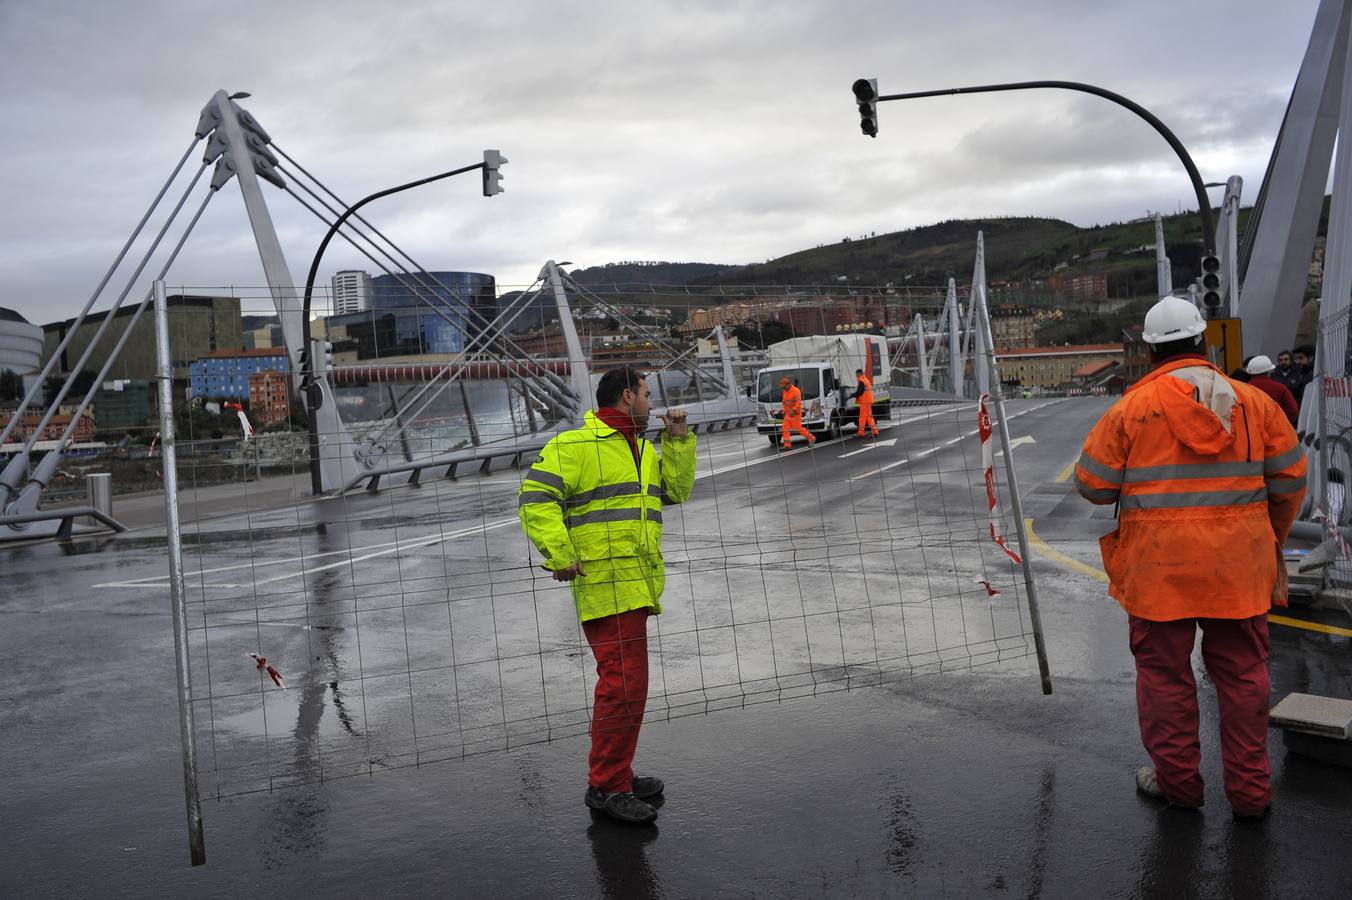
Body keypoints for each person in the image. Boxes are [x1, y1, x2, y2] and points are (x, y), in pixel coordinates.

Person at [1074, 296, 1306, 821]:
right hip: (1239, 571)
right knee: (1245, 676)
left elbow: (1093, 485)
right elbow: (1291, 478)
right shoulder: (1256, 403)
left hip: (1159, 574)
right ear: (1205, 342)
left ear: (1152, 351)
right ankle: (1250, 795)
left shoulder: (1131, 408)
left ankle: (1179, 788)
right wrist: (1266, 538)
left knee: (1165, 679)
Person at [517, 367, 697, 825]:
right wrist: (559, 553)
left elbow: (674, 492)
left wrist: (677, 440)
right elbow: (535, 499)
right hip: (602, 582)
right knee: (622, 688)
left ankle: (617, 772)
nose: (653, 405)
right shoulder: (575, 445)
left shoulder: (642, 448)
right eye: (646, 395)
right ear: (625, 397)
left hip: (636, 582)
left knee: (630, 688)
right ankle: (606, 786)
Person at [1246, 355, 1299, 425]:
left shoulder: (1243, 389)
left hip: (1251, 431)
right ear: (1268, 370)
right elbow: (1293, 410)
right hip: (1276, 431)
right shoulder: (1280, 388)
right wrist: (1280, 423)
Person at [779, 376, 816, 448]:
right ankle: (787, 445)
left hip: (795, 414)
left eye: (784, 386)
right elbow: (785, 402)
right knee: (784, 429)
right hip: (788, 413)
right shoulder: (785, 391)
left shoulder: (796, 391)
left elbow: (798, 403)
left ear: (788, 384)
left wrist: (794, 410)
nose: (783, 388)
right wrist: (784, 412)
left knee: (799, 428)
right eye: (782, 387)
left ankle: (811, 438)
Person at [852, 368, 880, 438]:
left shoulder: (861, 380)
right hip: (868, 401)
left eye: (856, 374)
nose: (856, 376)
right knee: (869, 417)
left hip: (865, 402)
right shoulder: (865, 379)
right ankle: (875, 431)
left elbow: (860, 392)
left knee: (862, 417)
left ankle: (861, 433)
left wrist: (852, 395)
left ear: (859, 374)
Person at [1290, 344, 1316, 408]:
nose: (1297, 361)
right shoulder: (1297, 373)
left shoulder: (1315, 375)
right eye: (1296, 359)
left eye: (1301, 358)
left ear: (1310, 358)